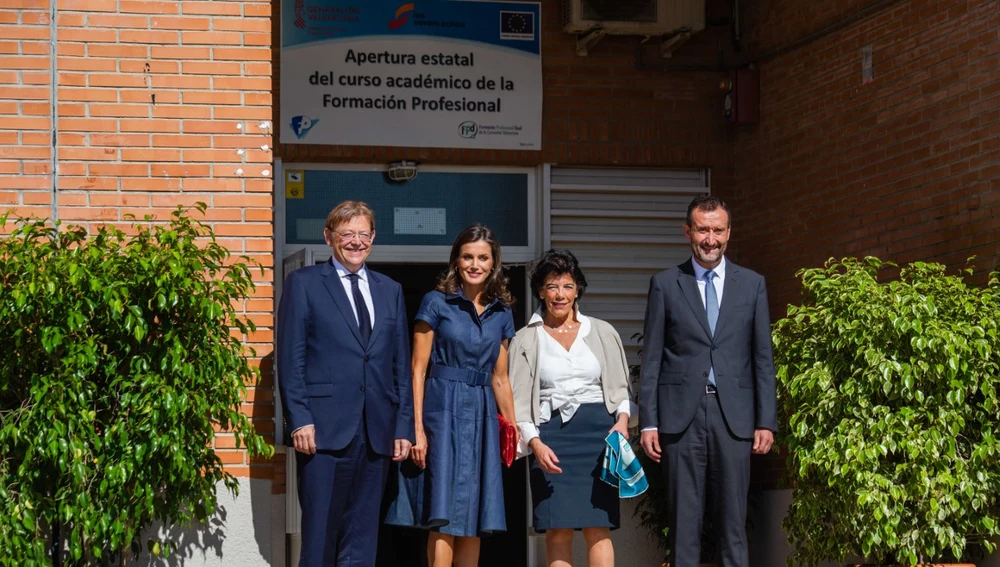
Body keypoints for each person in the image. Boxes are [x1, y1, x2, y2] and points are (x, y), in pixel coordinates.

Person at [638, 194, 777, 567]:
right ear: (688, 232)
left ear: (729, 233)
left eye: (717, 230)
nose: (710, 239)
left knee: (733, 525)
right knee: (683, 524)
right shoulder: (666, 284)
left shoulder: (752, 284)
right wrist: (648, 421)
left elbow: (762, 358)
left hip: (734, 416)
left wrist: (766, 420)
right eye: (702, 230)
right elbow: (650, 358)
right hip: (681, 417)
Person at [277, 200, 414, 567]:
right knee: (320, 536)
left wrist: (404, 426)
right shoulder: (303, 284)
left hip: (377, 433)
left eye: (363, 234)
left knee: (363, 536)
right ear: (329, 237)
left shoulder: (390, 290)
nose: (356, 241)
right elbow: (292, 359)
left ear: (373, 237)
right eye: (347, 234)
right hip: (322, 431)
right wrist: (299, 418)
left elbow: (399, 364)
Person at [384, 224, 519, 567]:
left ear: (494, 263)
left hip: (483, 413)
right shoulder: (436, 302)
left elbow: (500, 377)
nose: (475, 264)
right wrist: (415, 429)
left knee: (476, 516)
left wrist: (513, 429)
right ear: (456, 261)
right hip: (440, 409)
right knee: (442, 512)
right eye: (468, 256)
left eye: (483, 258)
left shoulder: (502, 311)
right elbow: (417, 369)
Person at [509, 249, 636, 567]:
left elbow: (622, 391)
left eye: (567, 285)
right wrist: (535, 444)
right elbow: (518, 403)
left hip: (599, 436)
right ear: (540, 291)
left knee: (599, 528)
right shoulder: (525, 339)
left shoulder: (604, 332)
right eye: (552, 286)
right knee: (558, 529)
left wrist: (621, 423)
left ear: (577, 288)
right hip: (550, 438)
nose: (560, 294)